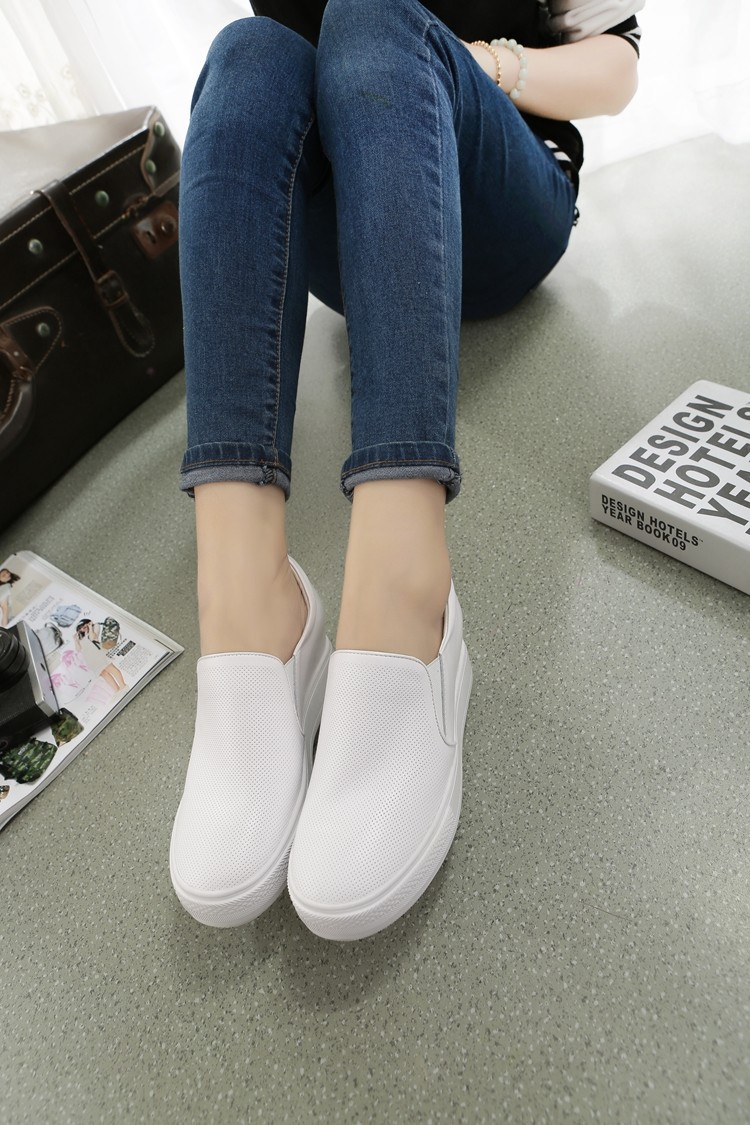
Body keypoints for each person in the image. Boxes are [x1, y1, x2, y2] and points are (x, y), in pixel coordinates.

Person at [169, 0, 643, 939]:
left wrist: (478, 62)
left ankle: (404, 589)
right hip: (359, 235)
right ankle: (249, 602)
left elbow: (617, 69)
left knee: (374, 20)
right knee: (248, 55)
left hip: (503, 196)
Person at [74, 620, 127, 694]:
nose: (83, 628)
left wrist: (90, 627)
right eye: (80, 628)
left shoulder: (95, 626)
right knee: (103, 674)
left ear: (88, 623)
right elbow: (78, 649)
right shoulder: (81, 638)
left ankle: (123, 686)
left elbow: (93, 637)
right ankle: (117, 690)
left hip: (99, 653)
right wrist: (75, 640)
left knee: (110, 668)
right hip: (90, 658)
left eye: (84, 625)